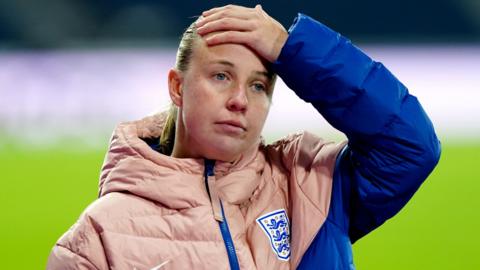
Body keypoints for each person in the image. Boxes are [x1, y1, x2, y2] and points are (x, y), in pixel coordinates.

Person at [47, 4, 441, 270]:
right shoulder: (98, 239)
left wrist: (291, 49)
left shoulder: (308, 184)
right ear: (177, 87)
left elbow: (410, 145)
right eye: (221, 76)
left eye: (258, 86)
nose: (240, 100)